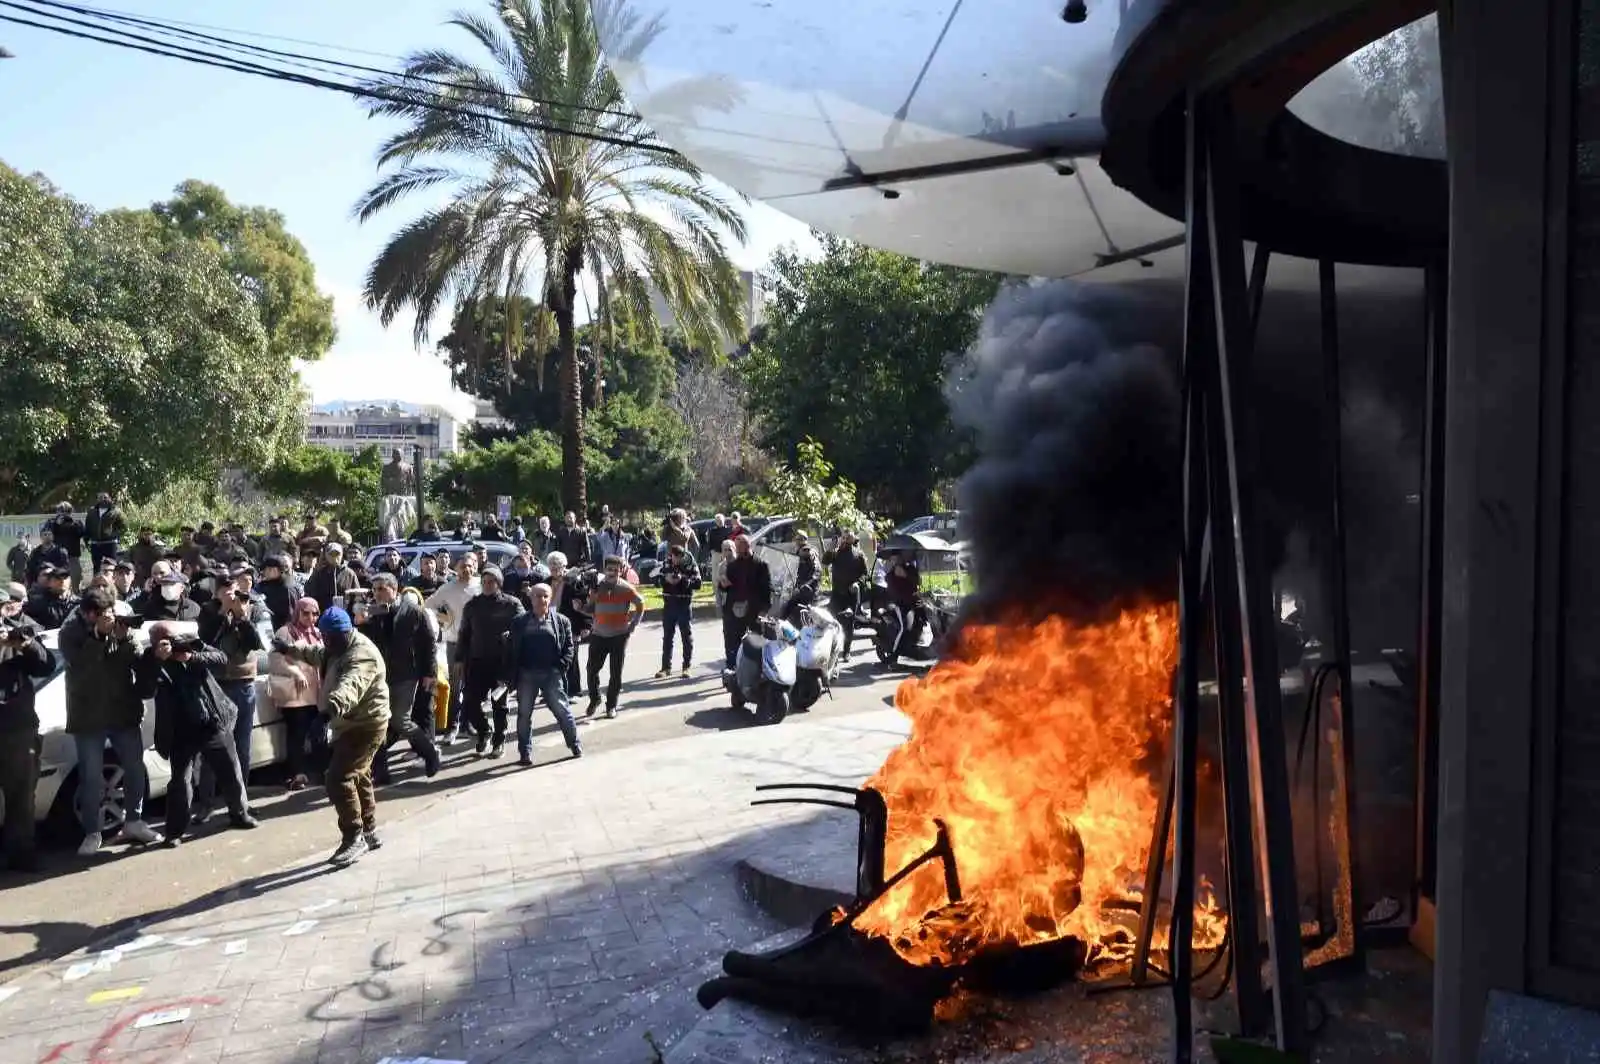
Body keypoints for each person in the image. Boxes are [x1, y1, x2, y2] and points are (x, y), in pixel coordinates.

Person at [274, 606, 390, 866]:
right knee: (359, 775)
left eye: (330, 638)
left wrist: (327, 713)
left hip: (365, 724)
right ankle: (369, 831)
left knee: (338, 778)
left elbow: (352, 685)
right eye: (323, 637)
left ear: (346, 632)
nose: (325, 642)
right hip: (349, 723)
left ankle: (353, 837)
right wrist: (288, 648)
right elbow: (317, 653)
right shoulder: (335, 647)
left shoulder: (361, 655)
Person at [60, 588, 163, 855]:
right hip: (88, 716)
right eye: (101, 616)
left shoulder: (120, 628)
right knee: (92, 777)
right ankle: (93, 832)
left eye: (109, 614)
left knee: (134, 767)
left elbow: (135, 660)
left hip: (122, 713)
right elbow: (82, 669)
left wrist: (124, 637)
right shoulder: (70, 633)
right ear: (88, 614)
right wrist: (98, 637)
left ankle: (134, 822)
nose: (107, 619)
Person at [136, 623, 258, 843]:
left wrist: (192, 656)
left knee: (230, 769)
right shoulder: (150, 660)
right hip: (179, 730)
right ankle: (174, 832)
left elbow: (221, 660)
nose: (171, 645)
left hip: (210, 721)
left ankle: (240, 814)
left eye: (172, 639)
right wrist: (157, 660)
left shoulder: (192, 648)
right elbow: (145, 689)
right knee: (180, 783)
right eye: (164, 641)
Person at [360, 574, 442, 783]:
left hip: (405, 674)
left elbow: (428, 643)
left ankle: (429, 752)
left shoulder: (411, 611)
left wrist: (429, 673)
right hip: (379, 675)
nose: (377, 593)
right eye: (375, 589)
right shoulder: (372, 611)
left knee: (400, 720)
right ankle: (381, 772)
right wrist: (361, 622)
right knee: (378, 722)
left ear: (394, 590)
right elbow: (363, 642)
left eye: (381, 589)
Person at [197, 573, 268, 793]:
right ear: (217, 592)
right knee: (214, 745)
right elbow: (206, 641)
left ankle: (241, 800)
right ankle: (206, 802)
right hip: (217, 686)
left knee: (242, 746)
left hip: (243, 684)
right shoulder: (208, 610)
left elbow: (258, 644)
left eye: (234, 591)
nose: (232, 596)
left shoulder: (251, 607)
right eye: (226, 592)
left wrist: (243, 618)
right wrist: (222, 612)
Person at [0, 591, 52, 871]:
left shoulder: (15, 637)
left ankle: (21, 854)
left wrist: (26, 644)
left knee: (21, 797)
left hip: (16, 731)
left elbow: (47, 665)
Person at [508, 583, 580, 765]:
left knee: (562, 710)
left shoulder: (562, 621)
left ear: (550, 598)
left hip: (551, 674)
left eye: (545, 596)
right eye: (537, 596)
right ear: (530, 598)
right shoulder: (519, 622)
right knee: (524, 714)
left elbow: (569, 647)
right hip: (527, 674)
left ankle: (574, 744)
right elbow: (511, 648)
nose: (541, 600)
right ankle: (525, 752)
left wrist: (561, 666)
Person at [456, 566, 524, 756]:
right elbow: (464, 633)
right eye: (484, 582)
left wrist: (511, 635)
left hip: (501, 662)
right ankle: (484, 731)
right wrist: (459, 659)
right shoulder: (473, 605)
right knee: (469, 703)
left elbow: (523, 627)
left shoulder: (511, 604)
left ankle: (499, 741)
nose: (487, 585)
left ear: (499, 584)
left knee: (499, 705)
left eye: (491, 582)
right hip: (477, 661)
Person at [269, 597, 325, 792]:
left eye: (314, 613)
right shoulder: (285, 632)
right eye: (306, 613)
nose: (310, 617)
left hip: (315, 693)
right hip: (295, 694)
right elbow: (275, 659)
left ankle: (320, 771)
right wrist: (296, 672)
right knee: (297, 735)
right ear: (297, 612)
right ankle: (297, 774)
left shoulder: (318, 633)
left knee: (319, 734)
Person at [424, 554, 480, 744]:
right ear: (455, 568)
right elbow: (428, 606)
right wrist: (443, 618)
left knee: (473, 687)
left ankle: (468, 723)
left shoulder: (481, 586)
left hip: (476, 643)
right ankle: (452, 726)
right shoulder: (446, 589)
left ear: (475, 567)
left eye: (470, 566)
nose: (466, 569)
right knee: (456, 687)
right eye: (463, 566)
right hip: (455, 643)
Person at [584, 555, 644, 720]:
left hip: (619, 636)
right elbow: (590, 609)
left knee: (615, 673)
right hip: (598, 634)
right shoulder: (597, 587)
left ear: (621, 570)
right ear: (605, 570)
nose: (612, 573)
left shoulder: (626, 588)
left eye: (616, 570)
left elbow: (640, 604)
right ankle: (595, 699)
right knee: (591, 670)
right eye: (609, 569)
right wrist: (581, 607)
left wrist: (633, 625)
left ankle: (611, 706)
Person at [720, 535, 772, 670]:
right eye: (735, 547)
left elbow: (767, 590)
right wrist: (723, 585)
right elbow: (726, 587)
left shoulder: (761, 565)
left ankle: (758, 669)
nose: (736, 550)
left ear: (747, 546)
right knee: (733, 642)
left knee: (756, 642)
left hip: (754, 610)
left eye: (738, 547)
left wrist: (764, 610)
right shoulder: (733, 566)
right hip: (735, 609)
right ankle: (733, 670)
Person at [545, 552, 591, 700]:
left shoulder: (573, 581)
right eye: (551, 566)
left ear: (564, 566)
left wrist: (586, 625)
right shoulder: (546, 582)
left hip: (569, 624)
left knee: (570, 658)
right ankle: (550, 690)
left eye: (557, 566)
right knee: (550, 659)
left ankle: (573, 691)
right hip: (549, 624)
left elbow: (583, 603)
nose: (554, 570)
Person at [656, 544, 701, 679]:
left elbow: (698, 583)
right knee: (667, 637)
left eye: (677, 557)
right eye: (673, 557)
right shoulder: (666, 563)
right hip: (669, 603)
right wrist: (665, 579)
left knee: (686, 636)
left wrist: (683, 580)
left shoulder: (690, 563)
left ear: (682, 556)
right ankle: (665, 668)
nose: (674, 560)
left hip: (683, 603)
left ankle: (686, 666)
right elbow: (657, 580)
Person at [823, 532, 870, 659]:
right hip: (837, 593)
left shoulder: (858, 554)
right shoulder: (836, 552)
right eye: (843, 537)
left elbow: (865, 574)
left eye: (848, 537)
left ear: (853, 539)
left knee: (849, 624)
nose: (845, 539)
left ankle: (846, 651)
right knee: (832, 621)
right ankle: (832, 649)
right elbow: (825, 561)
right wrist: (831, 549)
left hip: (851, 595)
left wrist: (857, 583)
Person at [780, 534, 822, 623]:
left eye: (798, 539)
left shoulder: (809, 552)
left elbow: (817, 572)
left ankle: (784, 624)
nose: (796, 542)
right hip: (800, 586)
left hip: (809, 589)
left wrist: (805, 584)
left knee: (790, 607)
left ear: (803, 540)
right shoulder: (799, 551)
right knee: (787, 606)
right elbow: (793, 567)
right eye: (795, 539)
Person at [306, 543, 360, 613]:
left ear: (342, 555)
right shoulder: (319, 573)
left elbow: (357, 596)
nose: (334, 557)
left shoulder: (349, 573)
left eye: (337, 554)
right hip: (324, 616)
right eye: (331, 554)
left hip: (345, 616)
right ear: (326, 555)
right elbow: (310, 595)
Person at [46, 502, 86, 587]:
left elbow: (82, 533)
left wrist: (72, 522)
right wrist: (56, 524)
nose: (63, 514)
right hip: (57, 558)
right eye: (60, 511)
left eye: (66, 512)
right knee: (57, 583)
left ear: (71, 512)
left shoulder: (76, 522)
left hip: (73, 557)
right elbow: (47, 535)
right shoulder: (51, 522)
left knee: (75, 582)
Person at [83, 492, 126, 572]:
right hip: (96, 545)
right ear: (97, 500)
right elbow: (88, 527)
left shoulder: (116, 511)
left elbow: (124, 527)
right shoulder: (92, 512)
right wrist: (86, 540)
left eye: (105, 497)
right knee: (97, 568)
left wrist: (114, 534)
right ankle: (97, 584)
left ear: (109, 498)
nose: (103, 499)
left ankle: (111, 583)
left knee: (111, 567)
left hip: (110, 544)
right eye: (100, 497)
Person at [257, 554, 298, 630]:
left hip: (282, 629)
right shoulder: (263, 585)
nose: (265, 572)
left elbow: (291, 615)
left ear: (277, 570)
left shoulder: (287, 588)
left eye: (268, 569)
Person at [711, 539, 735, 612]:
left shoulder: (740, 563)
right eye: (725, 550)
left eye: (730, 550)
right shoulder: (721, 565)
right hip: (726, 601)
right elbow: (718, 585)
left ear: (734, 549)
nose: (727, 552)